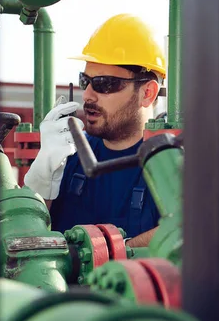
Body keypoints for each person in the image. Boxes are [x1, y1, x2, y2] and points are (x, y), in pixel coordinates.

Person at [24, 13, 166, 247]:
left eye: (104, 84)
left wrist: (112, 256)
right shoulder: (66, 156)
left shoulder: (169, 164)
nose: (88, 95)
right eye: (85, 81)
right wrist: (39, 181)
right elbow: (24, 240)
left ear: (147, 93)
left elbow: (189, 230)